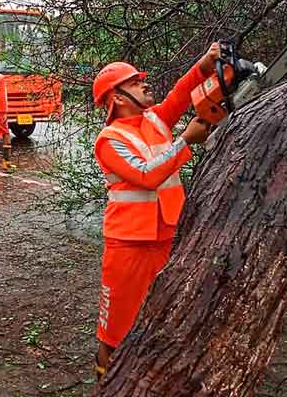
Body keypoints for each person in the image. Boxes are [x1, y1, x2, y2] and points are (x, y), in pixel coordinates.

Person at [90, 43, 226, 378]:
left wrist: (207, 63)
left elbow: (182, 93)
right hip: (130, 244)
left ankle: (142, 382)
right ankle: (105, 386)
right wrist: (184, 142)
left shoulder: (154, 119)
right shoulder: (110, 139)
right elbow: (146, 175)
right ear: (117, 97)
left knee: (161, 314)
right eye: (135, 82)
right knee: (116, 326)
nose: (144, 84)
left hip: (166, 235)